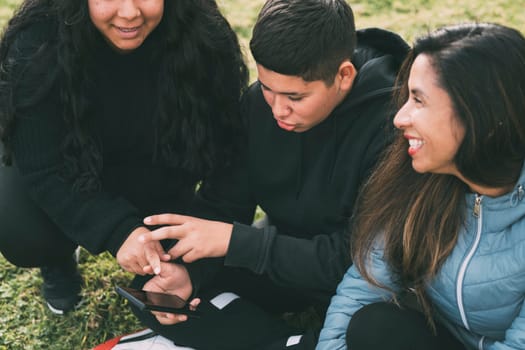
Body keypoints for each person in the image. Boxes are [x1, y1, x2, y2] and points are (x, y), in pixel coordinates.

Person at [125, 0, 409, 349]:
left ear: (344, 75)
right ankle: (287, 342)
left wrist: (238, 242)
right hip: (283, 261)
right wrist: (187, 273)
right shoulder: (257, 105)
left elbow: (358, 262)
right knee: (152, 291)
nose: (277, 109)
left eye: (294, 97)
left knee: (374, 331)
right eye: (267, 88)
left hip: (354, 279)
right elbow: (224, 204)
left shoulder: (393, 125)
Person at [0, 0, 248, 315]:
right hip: (74, 165)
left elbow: (229, 153)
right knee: (22, 230)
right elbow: (44, 166)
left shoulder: (203, 33)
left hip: (160, 171)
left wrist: (186, 256)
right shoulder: (37, 42)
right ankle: (57, 260)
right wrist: (116, 230)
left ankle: (164, 239)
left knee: (171, 244)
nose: (130, 12)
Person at [317, 22, 525, 350]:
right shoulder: (420, 178)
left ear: (479, 114)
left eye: (419, 100)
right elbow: (361, 289)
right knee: (374, 327)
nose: (400, 117)